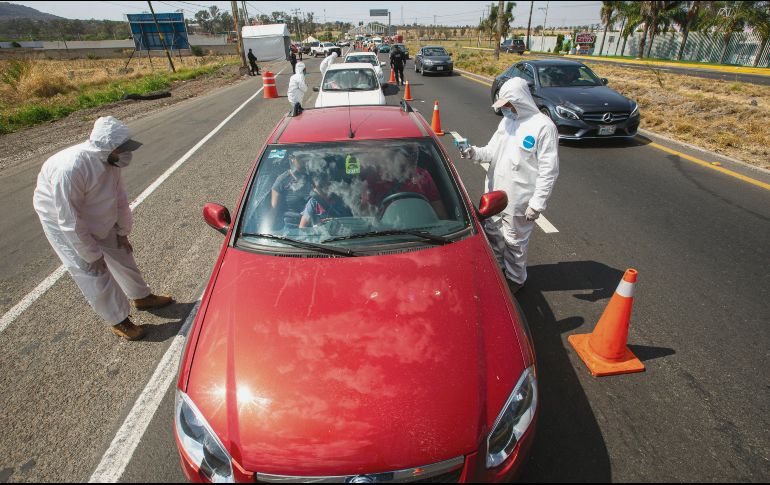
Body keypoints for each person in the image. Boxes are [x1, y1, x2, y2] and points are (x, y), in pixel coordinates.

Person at [33, 116, 174, 340]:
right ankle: (119, 320)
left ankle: (142, 297)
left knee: (122, 252)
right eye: (122, 149)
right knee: (92, 270)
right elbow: (69, 220)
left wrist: (123, 232)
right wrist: (91, 254)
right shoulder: (71, 169)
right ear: (107, 147)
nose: (127, 154)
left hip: (92, 209)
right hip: (60, 218)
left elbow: (119, 198)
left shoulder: (111, 161)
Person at [462, 77, 559, 292]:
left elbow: (548, 170)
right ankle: (497, 272)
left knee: (514, 243)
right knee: (494, 236)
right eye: (503, 106)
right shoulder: (507, 121)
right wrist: (473, 152)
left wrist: (537, 203)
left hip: (520, 201)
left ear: (520, 100)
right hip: (495, 196)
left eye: (508, 105)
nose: (505, 109)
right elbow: (490, 151)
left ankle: (515, 281)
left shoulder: (543, 127)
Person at [271, 152, 311, 228]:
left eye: (307, 157)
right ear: (291, 158)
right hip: (292, 228)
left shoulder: (313, 176)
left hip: (317, 224)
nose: (305, 160)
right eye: (301, 157)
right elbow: (273, 210)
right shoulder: (282, 180)